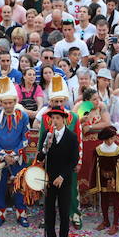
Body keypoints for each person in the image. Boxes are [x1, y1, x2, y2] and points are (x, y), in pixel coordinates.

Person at [37, 75, 83, 228]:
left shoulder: (74, 117)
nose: (58, 104)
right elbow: (41, 141)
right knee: (49, 190)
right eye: (55, 101)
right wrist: (40, 160)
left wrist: (79, 161)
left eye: (61, 101)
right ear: (50, 101)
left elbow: (79, 140)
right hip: (51, 161)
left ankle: (74, 213)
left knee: (71, 190)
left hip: (69, 162)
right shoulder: (45, 118)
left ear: (65, 101)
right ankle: (48, 216)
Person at [0, 76, 30, 228]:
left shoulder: (23, 116)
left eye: (10, 102)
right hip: (0, 158)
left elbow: (25, 138)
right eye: (4, 103)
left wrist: (13, 155)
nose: (7, 106)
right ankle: (0, 214)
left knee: (19, 185)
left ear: (15, 101)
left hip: (17, 158)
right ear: (0, 102)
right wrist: (3, 155)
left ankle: (21, 213)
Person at [37, 108, 79, 237]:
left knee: (64, 210)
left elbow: (74, 160)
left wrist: (62, 176)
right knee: (49, 210)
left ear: (64, 120)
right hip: (50, 178)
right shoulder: (46, 135)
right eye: (52, 118)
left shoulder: (71, 137)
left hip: (64, 179)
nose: (54, 121)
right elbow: (40, 158)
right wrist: (44, 149)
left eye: (57, 118)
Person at [85, 126, 119, 234]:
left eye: (111, 138)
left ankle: (115, 223)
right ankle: (105, 221)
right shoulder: (98, 150)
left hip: (116, 180)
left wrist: (116, 178)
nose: (109, 141)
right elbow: (95, 166)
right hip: (102, 178)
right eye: (106, 139)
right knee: (104, 199)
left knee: (116, 200)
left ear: (115, 137)